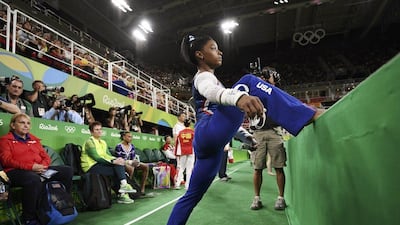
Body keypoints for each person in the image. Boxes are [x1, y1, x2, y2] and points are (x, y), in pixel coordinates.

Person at [166, 34, 323, 225]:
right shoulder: (203, 77)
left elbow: (225, 119)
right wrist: (239, 97)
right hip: (208, 132)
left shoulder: (214, 82)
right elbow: (212, 91)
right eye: (214, 48)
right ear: (200, 54)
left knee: (191, 196)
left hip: (208, 145)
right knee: (248, 81)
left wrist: (247, 137)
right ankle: (307, 115)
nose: (220, 51)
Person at [0, 113, 73, 225]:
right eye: (22, 122)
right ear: (13, 125)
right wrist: (31, 167)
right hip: (14, 172)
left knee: (67, 171)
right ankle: (29, 218)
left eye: (28, 123)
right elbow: (6, 160)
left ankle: (63, 205)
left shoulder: (34, 139)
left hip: (38, 169)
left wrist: (43, 166)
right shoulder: (5, 140)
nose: (26, 126)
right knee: (33, 179)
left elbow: (45, 157)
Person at [250, 67, 288, 211]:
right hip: (258, 132)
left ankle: (281, 197)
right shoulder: (255, 91)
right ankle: (257, 198)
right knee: (257, 168)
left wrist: (270, 85)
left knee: (279, 167)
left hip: (274, 131)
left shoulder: (277, 92)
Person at [80, 121, 136, 204]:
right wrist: (114, 161)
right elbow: (97, 158)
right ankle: (123, 193)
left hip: (100, 165)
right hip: (90, 167)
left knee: (118, 164)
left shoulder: (103, 142)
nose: (99, 131)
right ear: (91, 132)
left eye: (100, 129)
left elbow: (108, 155)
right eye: (96, 130)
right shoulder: (89, 142)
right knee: (117, 167)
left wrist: (118, 160)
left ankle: (123, 190)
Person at [114, 131, 149, 195]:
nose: (131, 138)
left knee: (145, 166)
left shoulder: (132, 146)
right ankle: (128, 188)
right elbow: (119, 159)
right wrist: (129, 162)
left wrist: (135, 162)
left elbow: (133, 157)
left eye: (131, 137)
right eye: (129, 137)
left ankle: (142, 188)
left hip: (131, 162)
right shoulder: (118, 146)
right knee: (131, 169)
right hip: (122, 164)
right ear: (124, 137)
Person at [174, 119, 195, 190]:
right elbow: (196, 143)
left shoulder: (180, 133)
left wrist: (177, 153)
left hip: (183, 151)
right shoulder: (193, 132)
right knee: (189, 169)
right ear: (190, 124)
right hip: (191, 151)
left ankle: (177, 184)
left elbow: (177, 143)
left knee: (181, 167)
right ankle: (187, 185)